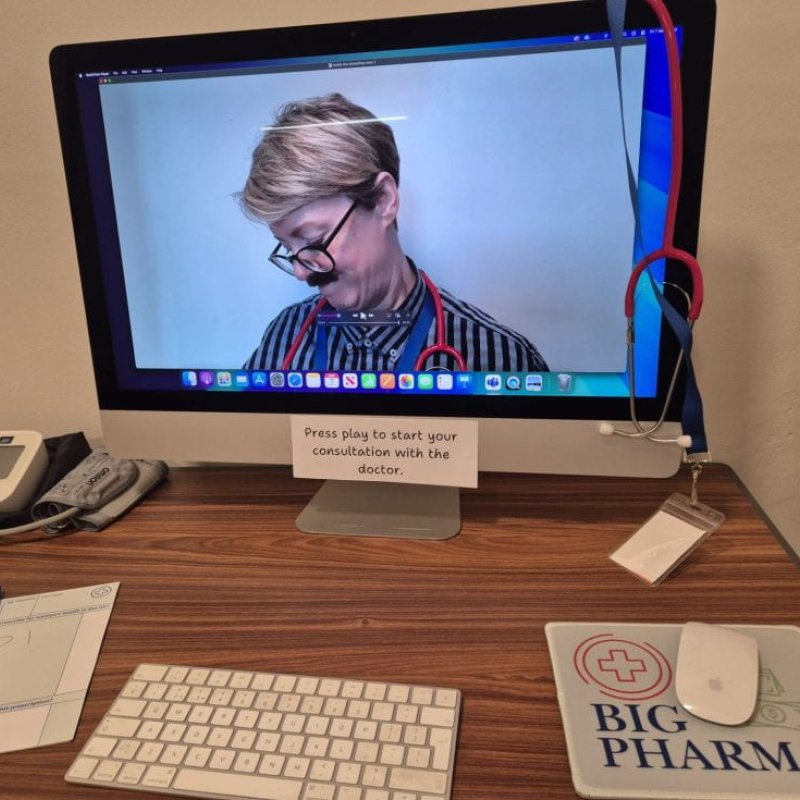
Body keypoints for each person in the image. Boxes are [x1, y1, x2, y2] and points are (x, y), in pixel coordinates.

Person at [240, 93, 548, 373]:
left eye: (313, 240)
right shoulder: (284, 336)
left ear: (383, 200)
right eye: (287, 248)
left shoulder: (504, 360)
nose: (301, 273)